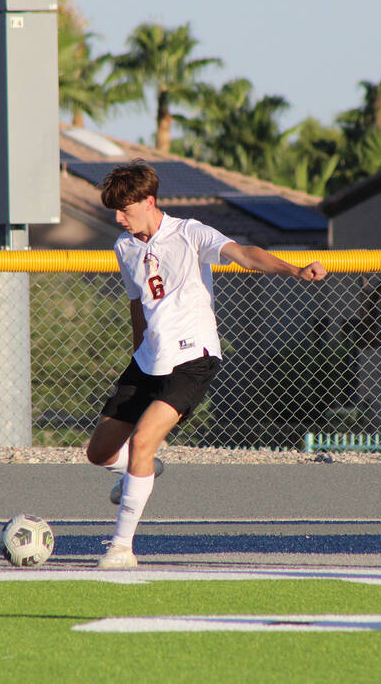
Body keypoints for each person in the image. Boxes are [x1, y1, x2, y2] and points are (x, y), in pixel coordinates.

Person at [84, 160, 328, 569]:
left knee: (143, 441)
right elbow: (137, 302)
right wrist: (138, 351)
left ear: (149, 201)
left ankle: (121, 548)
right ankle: (140, 472)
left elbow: (245, 255)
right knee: (99, 453)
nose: (118, 219)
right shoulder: (124, 247)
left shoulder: (190, 233)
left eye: (124, 209)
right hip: (149, 360)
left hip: (193, 358)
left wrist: (295, 269)